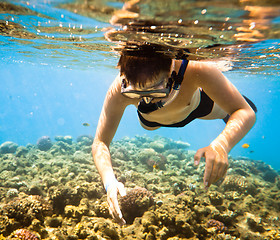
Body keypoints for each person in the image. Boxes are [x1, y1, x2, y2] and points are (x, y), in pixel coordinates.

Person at [91, 46, 257, 225]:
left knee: (246, 107)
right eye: (136, 93)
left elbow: (246, 112)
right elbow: (100, 142)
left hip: (197, 107)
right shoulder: (119, 89)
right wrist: (109, 182)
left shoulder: (197, 69)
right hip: (151, 122)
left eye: (156, 91)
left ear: (171, 70)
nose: (146, 100)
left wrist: (222, 144)